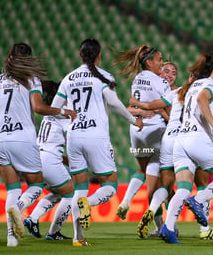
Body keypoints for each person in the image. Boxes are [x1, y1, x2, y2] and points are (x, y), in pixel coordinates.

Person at [51, 38, 143, 246]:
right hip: (96, 136)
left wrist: (70, 123)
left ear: (80, 55)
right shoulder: (101, 77)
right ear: (99, 56)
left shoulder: (68, 78)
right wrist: (133, 120)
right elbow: (115, 104)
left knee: (80, 188)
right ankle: (89, 204)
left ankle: (77, 237)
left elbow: (55, 109)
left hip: (73, 137)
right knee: (110, 185)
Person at [0, 43, 76, 247]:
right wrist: (62, 112)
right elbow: (38, 107)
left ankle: (11, 238)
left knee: (12, 189)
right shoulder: (31, 80)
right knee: (35, 184)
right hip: (23, 139)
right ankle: (19, 208)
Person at [159, 53, 213, 244]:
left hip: (181, 140)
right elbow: (203, 100)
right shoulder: (211, 85)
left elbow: (196, 109)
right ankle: (200, 200)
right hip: (196, 139)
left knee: (183, 188)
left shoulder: (192, 85)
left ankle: (168, 228)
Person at [113, 44, 171, 221]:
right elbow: (168, 104)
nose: (161, 64)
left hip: (136, 131)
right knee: (165, 174)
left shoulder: (137, 79)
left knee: (143, 168)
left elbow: (132, 106)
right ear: (149, 62)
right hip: (155, 131)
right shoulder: (159, 81)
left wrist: (140, 108)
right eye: (159, 60)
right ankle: (164, 218)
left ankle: (126, 200)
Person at [23, 80, 74, 241]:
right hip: (50, 160)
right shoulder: (64, 116)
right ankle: (53, 232)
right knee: (71, 194)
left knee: (57, 193)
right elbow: (72, 139)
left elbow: (51, 143)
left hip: (37, 158)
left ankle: (33, 218)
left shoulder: (48, 116)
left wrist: (67, 160)